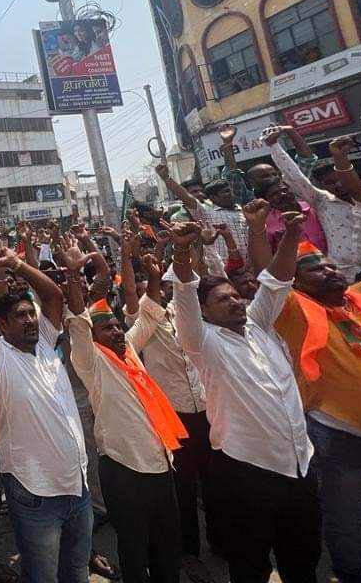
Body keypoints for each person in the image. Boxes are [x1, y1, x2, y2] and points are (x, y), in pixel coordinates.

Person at [164, 217, 321, 583]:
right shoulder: (202, 342)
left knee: (303, 561)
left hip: (299, 466)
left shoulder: (259, 324)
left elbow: (277, 279)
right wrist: (183, 250)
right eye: (223, 300)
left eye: (236, 295)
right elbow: (185, 293)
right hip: (246, 472)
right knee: (250, 566)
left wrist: (292, 232)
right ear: (204, 312)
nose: (235, 301)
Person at [248, 195, 361, 583]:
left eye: (329, 263)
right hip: (343, 437)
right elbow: (270, 277)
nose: (327, 270)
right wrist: (266, 231)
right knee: (346, 520)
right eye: (314, 269)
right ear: (296, 281)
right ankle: (353, 573)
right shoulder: (293, 309)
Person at [0, 242, 91, 583]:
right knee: (42, 576)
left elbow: (53, 297)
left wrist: (18, 265)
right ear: (3, 326)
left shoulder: (46, 344)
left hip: (76, 488)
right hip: (35, 493)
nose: (30, 320)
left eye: (30, 313)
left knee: (77, 572)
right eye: (20, 316)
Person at [64, 240, 184, 583]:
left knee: (167, 548)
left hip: (162, 466)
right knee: (134, 552)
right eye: (108, 328)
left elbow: (148, 313)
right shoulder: (91, 361)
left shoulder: (129, 350)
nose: (117, 331)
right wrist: (74, 276)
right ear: (95, 337)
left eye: (117, 326)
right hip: (124, 471)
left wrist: (156, 277)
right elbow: (77, 324)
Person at [119, 236, 212, 559]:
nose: (157, 291)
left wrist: (191, 244)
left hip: (205, 406)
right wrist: (126, 254)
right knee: (182, 487)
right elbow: (131, 291)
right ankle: (189, 550)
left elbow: (195, 276)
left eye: (161, 285)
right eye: (151, 289)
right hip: (173, 412)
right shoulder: (142, 320)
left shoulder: (184, 313)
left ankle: (221, 540)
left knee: (214, 481)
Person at [266, 128, 361, 280]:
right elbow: (296, 178)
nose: (338, 185)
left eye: (340, 179)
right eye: (330, 183)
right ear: (322, 185)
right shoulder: (322, 202)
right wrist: (274, 145)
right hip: (343, 278)